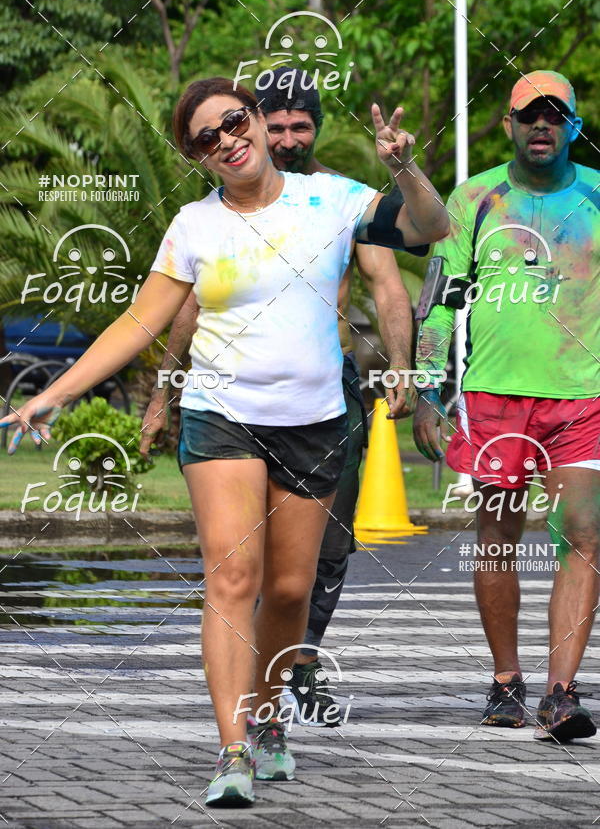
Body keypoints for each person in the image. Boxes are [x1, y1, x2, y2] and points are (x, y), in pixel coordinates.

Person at [1, 77, 448, 808]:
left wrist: (403, 166)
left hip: (313, 423)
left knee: (290, 589)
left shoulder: (332, 200)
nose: (226, 141)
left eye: (232, 122)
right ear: (197, 157)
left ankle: (269, 720)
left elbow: (430, 228)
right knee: (231, 580)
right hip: (222, 417)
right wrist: (51, 394)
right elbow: (139, 324)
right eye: (205, 139)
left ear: (259, 121)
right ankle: (233, 746)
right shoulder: (194, 226)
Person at [140, 67, 426, 729]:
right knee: (248, 562)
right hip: (237, 400)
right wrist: (164, 393)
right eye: (281, 123)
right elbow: (186, 308)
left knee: (323, 554)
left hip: (326, 396)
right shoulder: (218, 211)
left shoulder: (340, 202)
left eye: (305, 126)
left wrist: (404, 365)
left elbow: (387, 285)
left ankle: (297, 662)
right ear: (258, 123)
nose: (292, 136)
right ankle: (258, 703)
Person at [413, 70, 599, 742]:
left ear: (575, 125)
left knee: (584, 537)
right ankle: (505, 680)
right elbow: (437, 300)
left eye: (556, 115)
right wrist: (429, 391)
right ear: (509, 124)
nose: (542, 125)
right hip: (494, 400)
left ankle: (561, 692)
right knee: (497, 539)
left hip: (583, 397)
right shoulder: (473, 200)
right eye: (530, 115)